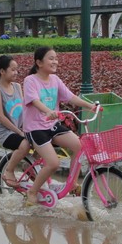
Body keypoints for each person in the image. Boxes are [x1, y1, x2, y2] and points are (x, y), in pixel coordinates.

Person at [22, 47, 98, 207]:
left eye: (56, 58)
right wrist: (48, 111)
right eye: (51, 58)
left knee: (79, 145)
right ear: (39, 62)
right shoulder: (31, 80)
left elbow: (71, 96)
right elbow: (35, 101)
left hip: (52, 126)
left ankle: (73, 184)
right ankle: (33, 191)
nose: (55, 61)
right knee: (53, 163)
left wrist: (89, 106)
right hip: (35, 129)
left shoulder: (55, 80)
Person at [0, 54, 30, 188]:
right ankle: (9, 170)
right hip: (6, 133)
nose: (16, 72)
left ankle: (28, 165)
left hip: (20, 130)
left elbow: (25, 109)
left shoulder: (18, 86)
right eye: (12, 70)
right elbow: (0, 117)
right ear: (2, 71)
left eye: (16, 69)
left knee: (40, 140)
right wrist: (19, 131)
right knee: (25, 144)